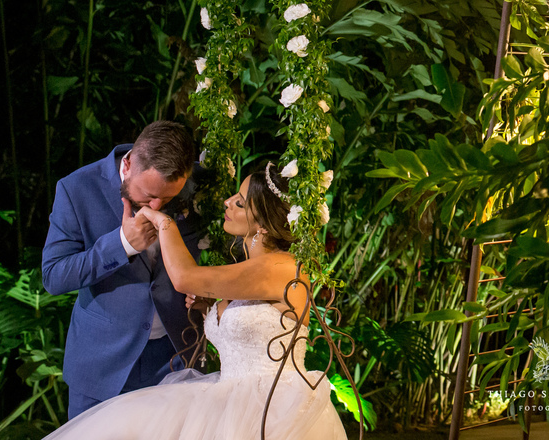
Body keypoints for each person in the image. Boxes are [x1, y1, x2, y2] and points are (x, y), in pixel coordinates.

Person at [41, 162, 348, 440]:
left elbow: (184, 277)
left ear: (263, 223)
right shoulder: (250, 267)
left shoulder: (279, 268)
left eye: (240, 203)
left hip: (269, 406)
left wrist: (163, 223)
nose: (227, 203)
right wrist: (208, 309)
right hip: (230, 397)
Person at [42, 120, 201, 418]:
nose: (155, 205)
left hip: (175, 359)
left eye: (166, 198)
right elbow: (54, 275)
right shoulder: (76, 189)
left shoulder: (198, 187)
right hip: (101, 366)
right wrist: (122, 244)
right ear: (127, 165)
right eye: (148, 194)